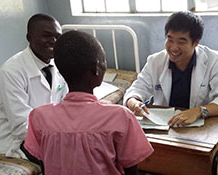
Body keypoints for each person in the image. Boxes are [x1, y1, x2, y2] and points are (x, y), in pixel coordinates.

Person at [22, 30, 154, 175]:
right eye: (104, 61)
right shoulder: (120, 116)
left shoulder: (39, 116)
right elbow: (131, 169)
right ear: (97, 68)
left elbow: (44, 162)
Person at [124, 11, 218, 127]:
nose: (173, 48)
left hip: (202, 127)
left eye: (181, 42)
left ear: (196, 42)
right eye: (170, 39)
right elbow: (136, 89)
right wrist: (134, 102)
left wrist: (199, 111)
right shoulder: (155, 61)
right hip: (165, 126)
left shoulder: (213, 60)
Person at [0, 14, 68, 158]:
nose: (54, 41)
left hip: (50, 130)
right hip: (18, 139)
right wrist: (58, 139)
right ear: (29, 37)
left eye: (58, 37)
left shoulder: (58, 64)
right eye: (46, 35)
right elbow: (21, 127)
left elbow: (66, 104)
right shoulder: (11, 72)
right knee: (66, 158)